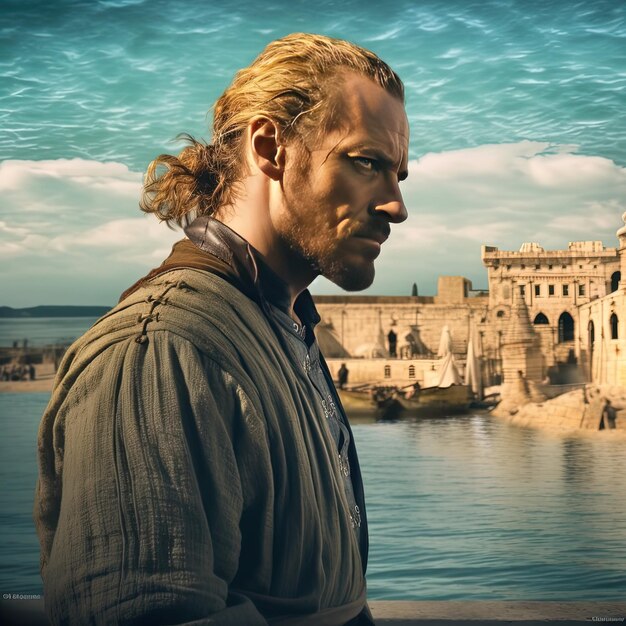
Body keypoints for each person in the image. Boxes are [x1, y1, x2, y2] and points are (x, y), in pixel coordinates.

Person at [35, 33, 409, 625]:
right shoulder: (160, 352)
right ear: (271, 147)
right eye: (366, 163)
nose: (395, 205)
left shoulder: (282, 326)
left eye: (398, 175)